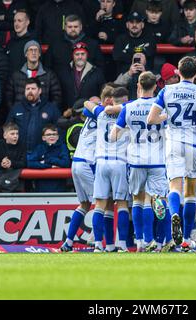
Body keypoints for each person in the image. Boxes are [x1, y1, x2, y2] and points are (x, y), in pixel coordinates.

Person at [147, 56, 196, 252]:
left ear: (178, 72)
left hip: (173, 142)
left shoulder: (166, 90)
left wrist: (167, 116)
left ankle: (174, 214)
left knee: (174, 187)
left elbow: (152, 119)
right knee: (191, 193)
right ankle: (186, 238)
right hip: (194, 144)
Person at [111, 72, 171, 253]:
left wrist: (129, 131)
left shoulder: (128, 108)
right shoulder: (160, 108)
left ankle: (140, 242)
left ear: (138, 85)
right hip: (158, 160)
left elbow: (113, 136)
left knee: (137, 200)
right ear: (155, 86)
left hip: (136, 159)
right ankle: (159, 242)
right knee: (157, 200)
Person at [60, 86, 115, 252]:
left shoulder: (93, 113)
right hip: (88, 162)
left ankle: (68, 242)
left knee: (84, 204)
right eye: (112, 100)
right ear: (106, 100)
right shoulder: (104, 115)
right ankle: (96, 240)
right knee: (105, 203)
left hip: (76, 162)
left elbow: (87, 105)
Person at [83, 87, 130, 252]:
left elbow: (86, 103)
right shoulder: (129, 111)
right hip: (120, 162)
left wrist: (104, 107)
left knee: (100, 205)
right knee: (122, 204)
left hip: (102, 162)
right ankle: (122, 244)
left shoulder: (101, 112)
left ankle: (99, 245)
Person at [5, 78, 61, 153]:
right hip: (19, 154)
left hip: (44, 154)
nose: (30, 91)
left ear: (40, 91)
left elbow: (59, 130)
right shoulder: (16, 108)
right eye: (27, 89)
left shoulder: (51, 108)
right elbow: (8, 129)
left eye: (33, 89)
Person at [6, 40, 62, 111]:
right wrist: (15, 112)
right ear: (26, 54)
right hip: (21, 116)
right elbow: (8, 97)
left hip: (42, 116)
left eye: (36, 50)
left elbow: (57, 96)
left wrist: (48, 112)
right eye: (30, 50)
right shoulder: (16, 75)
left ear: (39, 54)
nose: (33, 53)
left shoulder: (49, 74)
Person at [59, 42, 106, 116]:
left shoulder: (97, 72)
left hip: (90, 114)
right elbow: (59, 95)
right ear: (73, 56)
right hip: (68, 115)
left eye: (82, 54)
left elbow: (103, 93)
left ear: (87, 55)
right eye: (77, 54)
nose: (80, 57)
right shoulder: (64, 72)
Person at [27, 124, 71, 192]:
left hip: (60, 188)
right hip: (41, 188)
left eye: (54, 134)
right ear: (43, 138)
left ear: (58, 137)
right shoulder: (39, 148)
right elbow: (30, 163)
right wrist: (49, 166)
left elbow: (66, 163)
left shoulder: (63, 147)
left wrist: (47, 160)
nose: (52, 136)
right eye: (48, 134)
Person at [0, 122, 27, 192]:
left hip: (17, 185)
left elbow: (24, 163)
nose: (15, 136)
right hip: (0, 185)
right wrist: (2, 164)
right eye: (12, 134)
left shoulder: (22, 145)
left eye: (17, 133)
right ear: (5, 136)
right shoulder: (0, 144)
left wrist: (11, 163)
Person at [5, 9, 38, 74]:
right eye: (15, 21)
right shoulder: (10, 42)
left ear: (27, 22)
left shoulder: (33, 43)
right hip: (10, 82)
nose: (16, 24)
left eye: (20, 21)